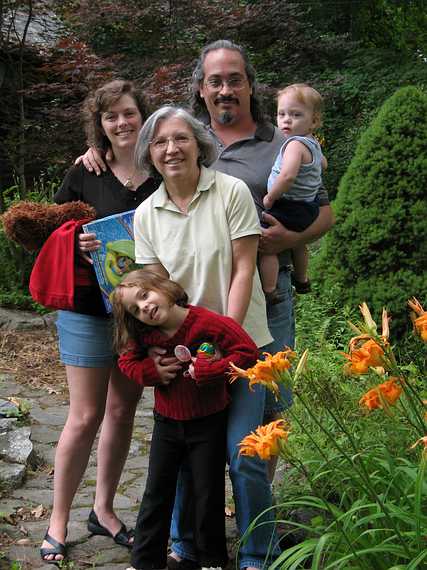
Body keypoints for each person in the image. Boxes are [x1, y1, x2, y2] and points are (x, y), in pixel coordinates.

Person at [76, 40, 334, 570]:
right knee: (187, 456)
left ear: (198, 145)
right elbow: (155, 287)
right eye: (161, 143)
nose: (171, 149)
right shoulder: (146, 214)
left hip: (244, 344)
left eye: (180, 140)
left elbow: (245, 269)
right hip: (185, 354)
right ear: (150, 154)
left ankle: (257, 553)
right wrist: (166, 353)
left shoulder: (232, 192)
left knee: (246, 454)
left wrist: (223, 341)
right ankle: (187, 546)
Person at [40, 79, 160, 565]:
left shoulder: (161, 171)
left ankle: (105, 511)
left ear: (142, 116)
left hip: (139, 315)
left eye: (129, 113)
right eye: (111, 117)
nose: (121, 123)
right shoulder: (84, 171)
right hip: (88, 311)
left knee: (121, 411)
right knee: (84, 415)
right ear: (100, 124)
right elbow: (50, 231)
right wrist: (75, 241)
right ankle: (57, 521)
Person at [111, 269, 260, 570]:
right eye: (136, 309)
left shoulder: (207, 323)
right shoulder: (143, 335)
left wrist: (211, 371)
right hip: (167, 423)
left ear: (163, 287)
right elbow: (126, 361)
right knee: (156, 492)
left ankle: (212, 560)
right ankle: (145, 562)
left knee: (208, 492)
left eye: (145, 295)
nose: (145, 307)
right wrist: (151, 373)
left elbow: (248, 351)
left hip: (208, 422)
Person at [260, 83, 328, 301]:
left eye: (296, 114)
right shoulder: (313, 145)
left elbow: (287, 176)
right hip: (308, 207)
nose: (286, 120)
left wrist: (271, 196)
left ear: (314, 121)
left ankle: (270, 290)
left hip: (288, 204)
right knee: (299, 243)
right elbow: (323, 164)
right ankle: (301, 279)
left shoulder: (294, 146)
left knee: (268, 249)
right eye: (282, 114)